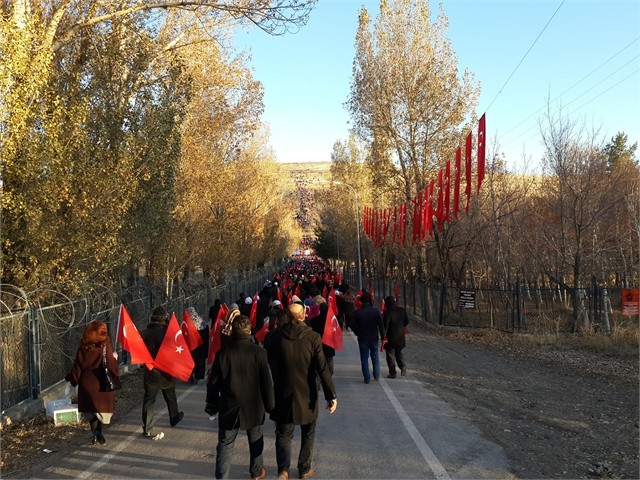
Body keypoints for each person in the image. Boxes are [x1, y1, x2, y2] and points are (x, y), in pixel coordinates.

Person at [264, 303, 337, 480]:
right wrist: (331, 395)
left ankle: (283, 470)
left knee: (283, 433)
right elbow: (322, 368)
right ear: (304, 316)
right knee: (308, 431)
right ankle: (304, 468)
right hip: (307, 393)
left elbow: (269, 362)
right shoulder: (313, 337)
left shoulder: (273, 337)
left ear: (287, 316)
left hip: (282, 391)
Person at [206, 315, 275, 480]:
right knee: (256, 439)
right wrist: (270, 404)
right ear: (249, 330)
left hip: (230, 406)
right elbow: (266, 382)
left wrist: (212, 403)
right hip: (254, 405)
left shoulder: (222, 353)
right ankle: (257, 472)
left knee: (225, 444)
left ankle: (222, 477)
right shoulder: (259, 353)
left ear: (232, 331)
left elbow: (213, 382)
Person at [65, 320, 119, 445]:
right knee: (101, 410)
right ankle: (98, 431)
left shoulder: (82, 348)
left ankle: (95, 432)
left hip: (86, 384)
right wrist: (115, 364)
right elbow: (111, 365)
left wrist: (70, 379)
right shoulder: (105, 346)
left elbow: (77, 368)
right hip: (101, 384)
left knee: (90, 410)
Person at [140, 306, 184, 441]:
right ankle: (174, 417)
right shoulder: (168, 333)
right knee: (170, 396)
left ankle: (147, 428)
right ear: (165, 318)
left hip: (151, 372)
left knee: (149, 400)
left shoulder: (145, 333)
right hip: (166, 371)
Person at [352, 291, 385, 384]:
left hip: (362, 337)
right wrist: (383, 336)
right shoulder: (375, 312)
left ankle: (367, 377)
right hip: (374, 337)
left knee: (364, 357)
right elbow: (381, 325)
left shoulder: (357, 313)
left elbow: (353, 325)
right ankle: (377, 374)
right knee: (375, 356)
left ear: (361, 302)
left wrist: (357, 332)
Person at [382, 296, 409, 378]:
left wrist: (383, 336)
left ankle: (393, 373)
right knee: (398, 352)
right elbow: (406, 322)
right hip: (400, 336)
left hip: (390, 336)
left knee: (390, 355)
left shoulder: (387, 312)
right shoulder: (402, 310)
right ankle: (403, 366)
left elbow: (385, 325)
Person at [308, 296, 335, 375]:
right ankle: (329, 374)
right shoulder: (331, 320)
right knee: (329, 360)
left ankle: (319, 375)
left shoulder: (313, 320)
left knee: (318, 360)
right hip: (329, 343)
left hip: (318, 343)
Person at [188, 307, 209, 384]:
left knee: (191, 361)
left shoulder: (187, 323)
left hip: (192, 347)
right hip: (201, 346)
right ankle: (197, 376)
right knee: (200, 362)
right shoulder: (202, 322)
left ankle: (190, 375)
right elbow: (206, 336)